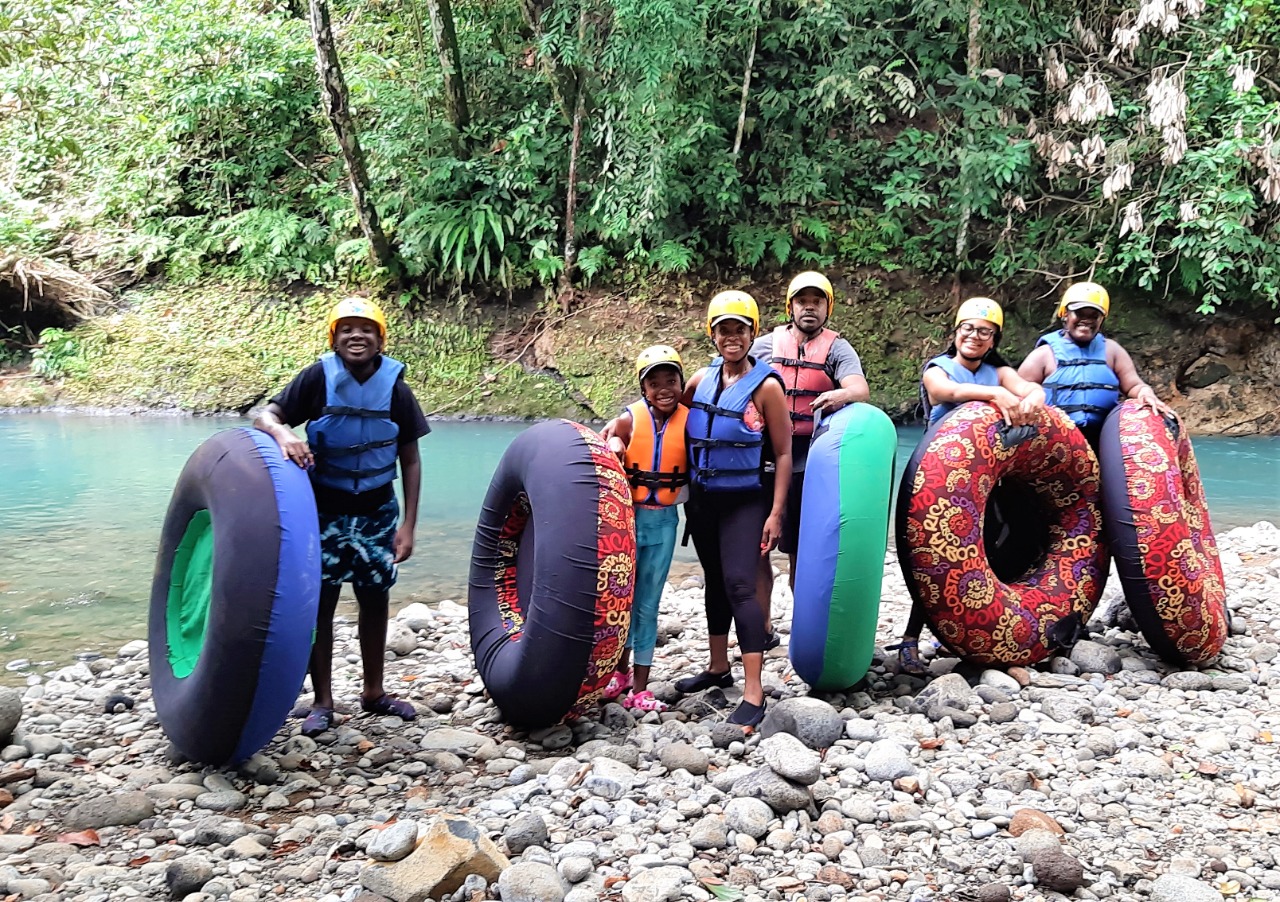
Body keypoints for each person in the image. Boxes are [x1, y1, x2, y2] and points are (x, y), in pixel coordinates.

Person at [254, 297, 430, 736]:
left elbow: (409, 457)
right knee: (321, 605)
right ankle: (323, 701)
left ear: (380, 339)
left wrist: (407, 525)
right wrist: (283, 434)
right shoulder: (317, 377)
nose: (357, 335)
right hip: (323, 510)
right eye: (347, 328)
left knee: (375, 601)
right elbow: (265, 415)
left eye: (367, 329)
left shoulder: (395, 387)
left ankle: (374, 693)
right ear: (333, 337)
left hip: (376, 510)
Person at [889, 297, 1045, 674]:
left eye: (984, 332)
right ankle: (910, 638)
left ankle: (971, 634)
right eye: (968, 329)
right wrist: (996, 395)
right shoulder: (939, 369)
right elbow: (947, 394)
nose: (975, 336)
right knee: (925, 561)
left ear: (993, 340)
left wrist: (1032, 398)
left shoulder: (998, 370)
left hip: (987, 484)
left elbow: (1033, 389)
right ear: (956, 333)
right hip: (937, 485)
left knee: (987, 551)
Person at [678, 290, 793, 731]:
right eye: (724, 330)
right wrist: (623, 424)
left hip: (746, 500)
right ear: (713, 333)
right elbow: (668, 419)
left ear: (752, 334)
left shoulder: (765, 387)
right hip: (704, 501)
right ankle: (716, 666)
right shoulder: (698, 382)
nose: (732, 337)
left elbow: (783, 454)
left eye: (740, 330)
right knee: (715, 584)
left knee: (741, 586)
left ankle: (753, 691)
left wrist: (776, 511)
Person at [751, 271, 870, 640]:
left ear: (827, 308)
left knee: (801, 549)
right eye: (802, 301)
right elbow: (725, 377)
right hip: (761, 457)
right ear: (791, 306)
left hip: (809, 460)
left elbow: (859, 388)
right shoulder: (765, 346)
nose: (809, 307)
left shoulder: (837, 349)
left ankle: (804, 627)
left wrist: (839, 395)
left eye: (817, 302)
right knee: (757, 545)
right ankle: (762, 627)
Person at [599, 346, 690, 713]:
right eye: (655, 383)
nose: (664, 388)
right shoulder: (629, 420)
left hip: (665, 522)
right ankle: (617, 673)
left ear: (682, 383)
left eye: (671, 381)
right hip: (629, 520)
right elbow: (602, 447)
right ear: (643, 387)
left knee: (648, 605)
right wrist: (615, 442)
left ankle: (641, 686)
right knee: (622, 601)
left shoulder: (691, 420)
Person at [1018, 281, 1172, 447]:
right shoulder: (1043, 355)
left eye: (1093, 316)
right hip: (1056, 440)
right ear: (1065, 315)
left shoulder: (1112, 351)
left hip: (1103, 438)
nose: (1086, 320)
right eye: (1079, 313)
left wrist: (1145, 393)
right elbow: (1017, 392)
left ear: (1101, 319)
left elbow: (1133, 385)